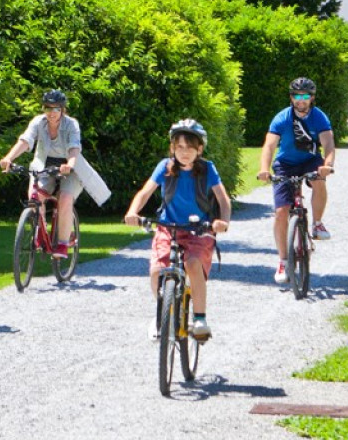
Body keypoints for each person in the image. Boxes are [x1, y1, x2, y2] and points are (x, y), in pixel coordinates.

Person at [123, 119, 231, 341]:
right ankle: (162, 311)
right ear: (172, 148)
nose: (184, 152)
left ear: (199, 149)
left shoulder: (207, 169)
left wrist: (223, 221)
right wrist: (133, 212)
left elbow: (223, 199)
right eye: (179, 147)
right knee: (156, 271)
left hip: (198, 231)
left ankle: (199, 318)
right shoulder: (165, 167)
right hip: (168, 227)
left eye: (190, 147)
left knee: (193, 264)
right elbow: (145, 192)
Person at [257, 76, 336, 285]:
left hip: (310, 161)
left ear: (312, 98)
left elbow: (328, 144)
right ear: (291, 98)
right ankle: (283, 260)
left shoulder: (319, 117)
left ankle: (317, 224)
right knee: (281, 212)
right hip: (285, 164)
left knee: (319, 180)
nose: (301, 100)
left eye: (306, 96)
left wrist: (327, 165)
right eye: (297, 96)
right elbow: (269, 145)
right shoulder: (282, 118)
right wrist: (264, 169)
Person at [0, 89, 85, 255]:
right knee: (35, 197)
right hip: (44, 165)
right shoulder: (38, 122)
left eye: (56, 109)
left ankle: (63, 243)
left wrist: (70, 164)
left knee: (65, 198)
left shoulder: (71, 124)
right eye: (48, 108)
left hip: (69, 166)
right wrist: (9, 158)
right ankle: (39, 232)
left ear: (62, 110)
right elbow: (25, 140)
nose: (51, 113)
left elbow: (74, 147)